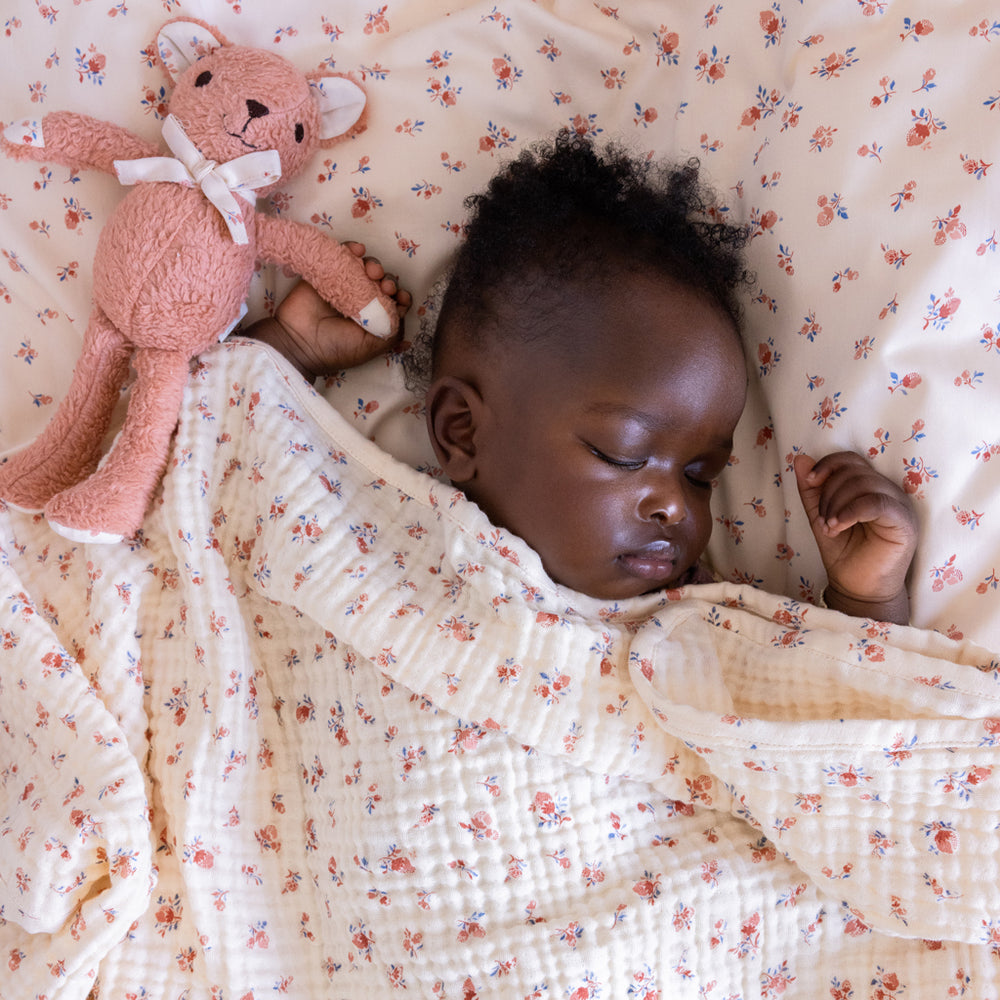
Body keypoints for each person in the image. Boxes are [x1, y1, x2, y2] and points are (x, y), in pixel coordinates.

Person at [248, 131, 917, 623]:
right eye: (623, 453)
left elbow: (832, 747)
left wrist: (865, 595)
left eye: (700, 475)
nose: (676, 508)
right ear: (460, 430)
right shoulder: (372, 531)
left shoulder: (700, 621)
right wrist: (288, 349)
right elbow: (213, 461)